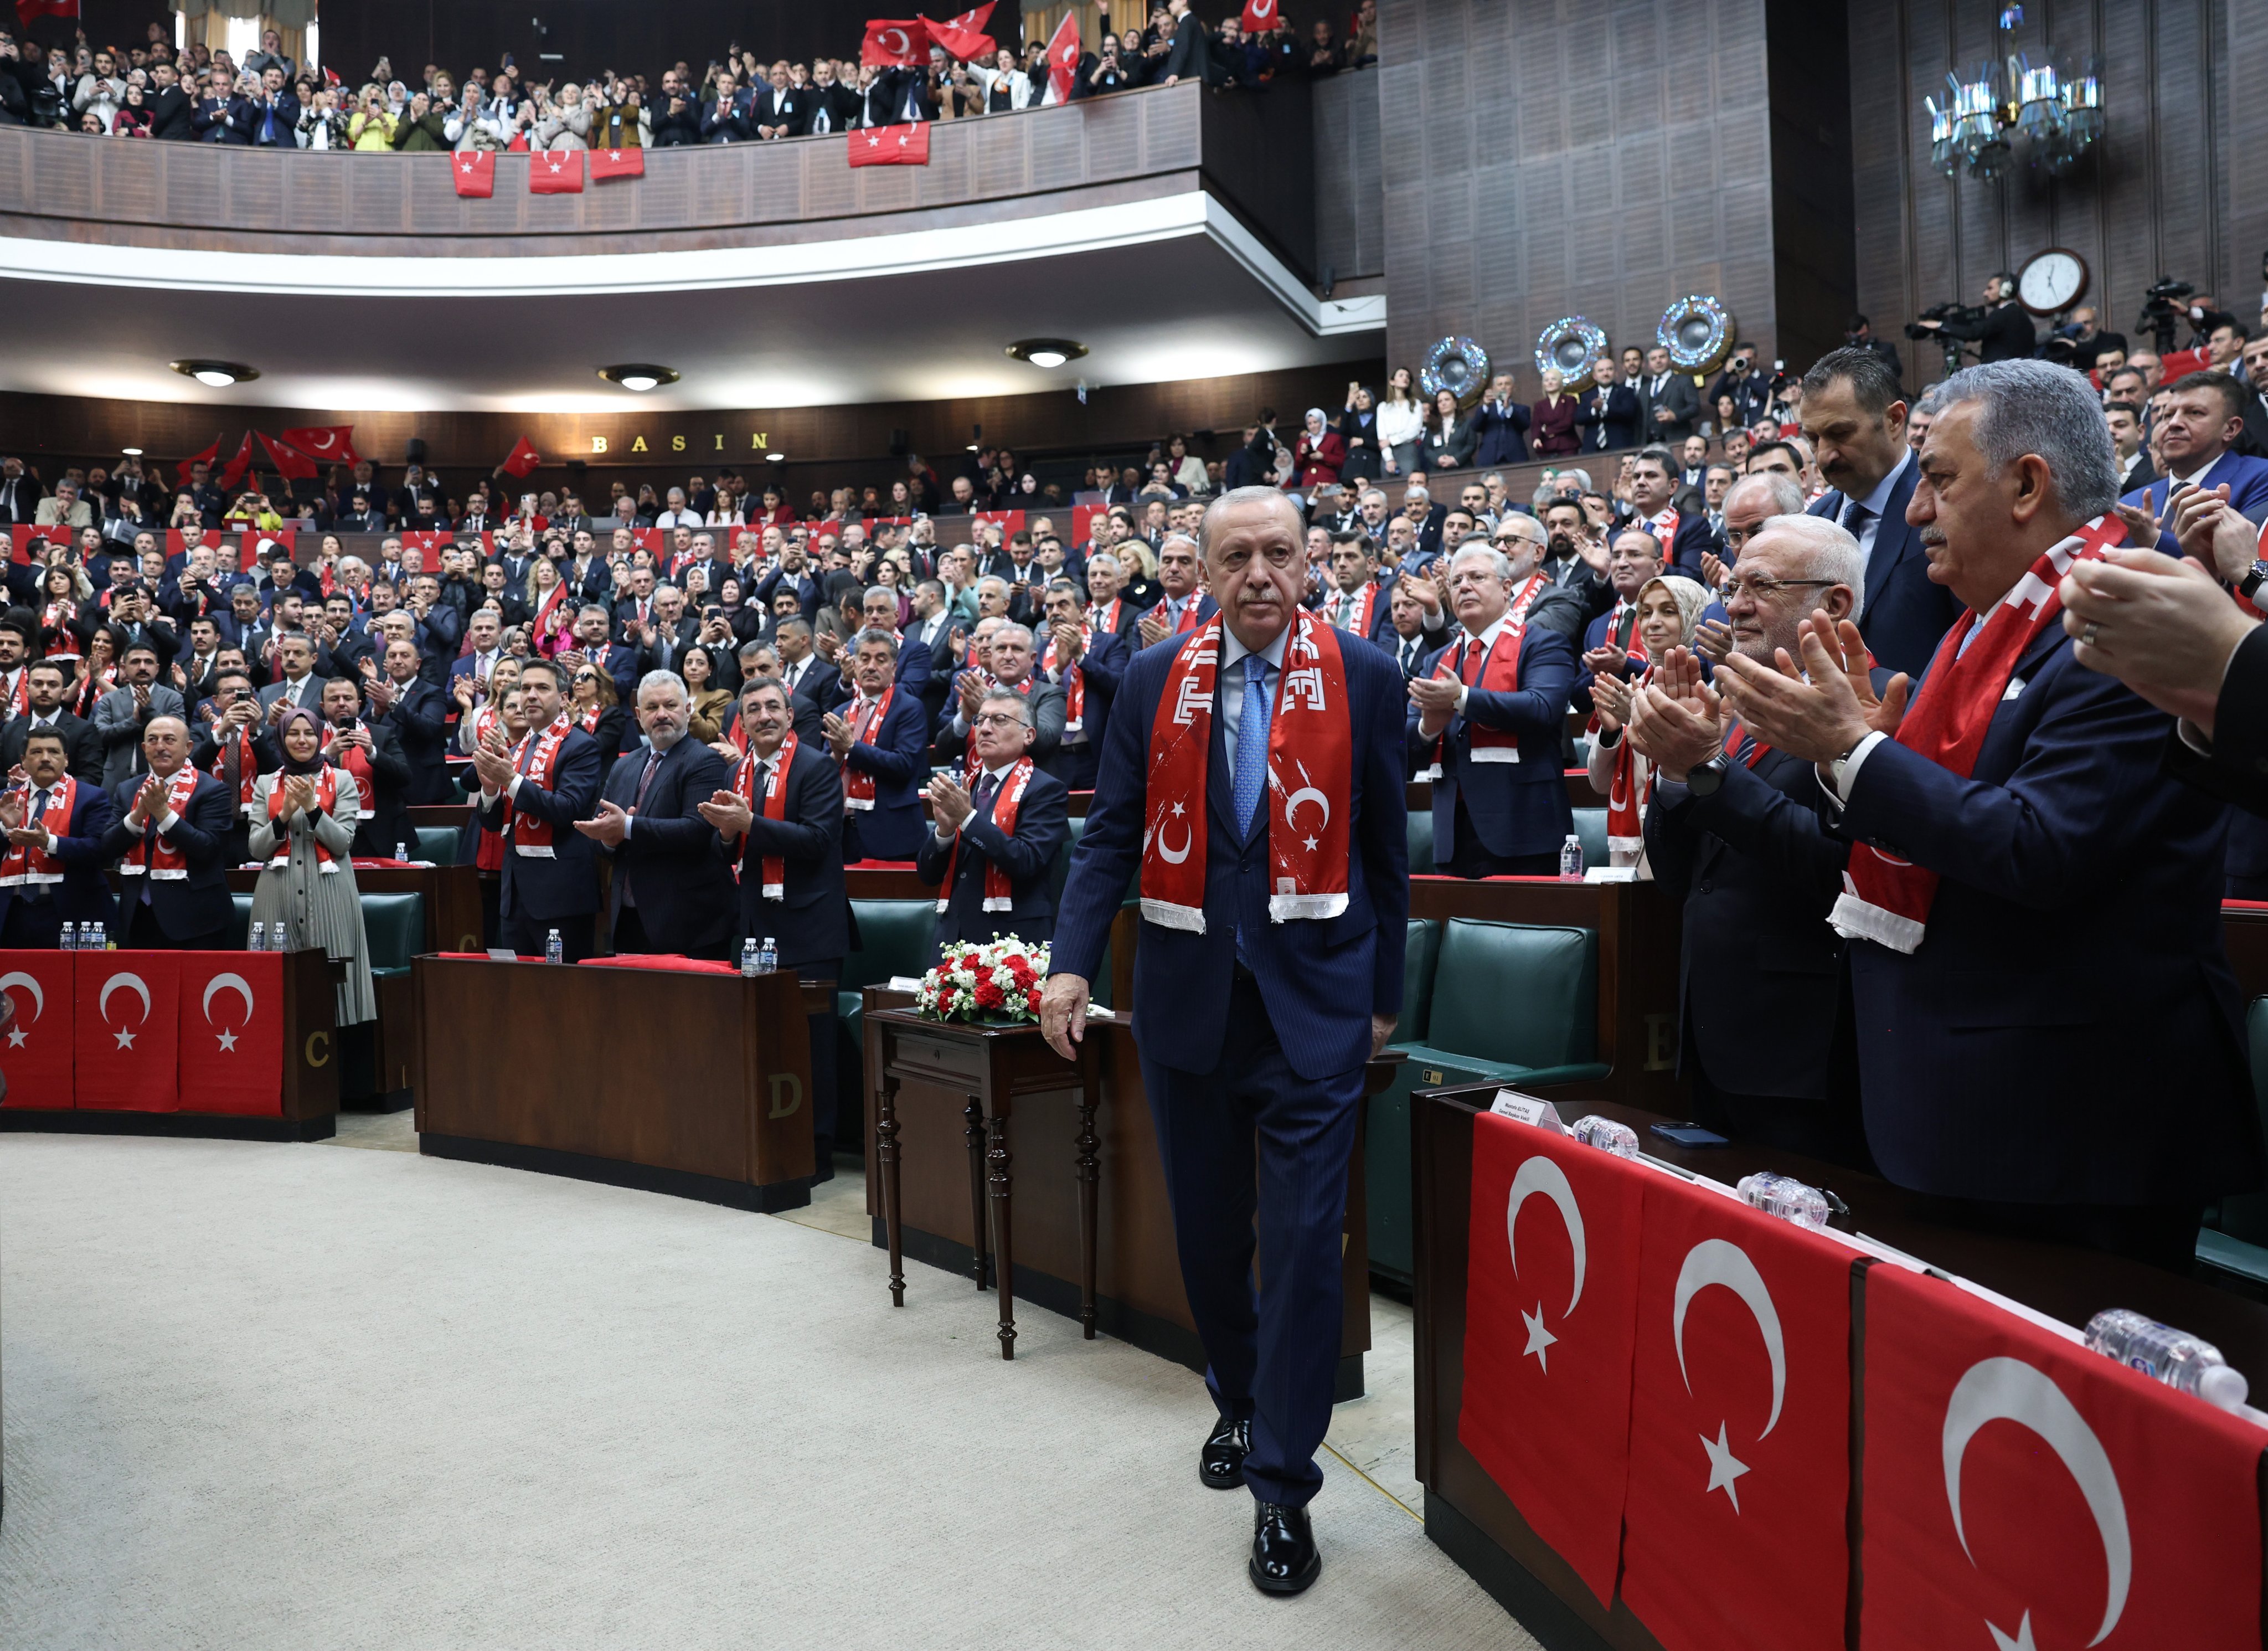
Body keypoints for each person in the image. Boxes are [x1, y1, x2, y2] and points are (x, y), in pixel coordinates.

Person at [1715, 358, 2264, 1269]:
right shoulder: (1979, 628)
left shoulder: (2120, 611)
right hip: (1963, 1115)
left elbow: (2040, 849)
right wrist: (1851, 756)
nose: (1916, 513)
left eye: (1935, 480)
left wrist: (1854, 754)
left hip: (2073, 1137)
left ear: (2024, 485)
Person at [1042, 487, 1408, 1598]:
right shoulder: (1152, 677)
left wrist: (1380, 994)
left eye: (1279, 552)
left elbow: (1386, 846)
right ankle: (1239, 1401)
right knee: (1207, 1238)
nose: (1259, 571)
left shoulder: (1367, 675)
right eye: (1234, 553)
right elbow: (1108, 834)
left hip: (1314, 1003)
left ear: (1312, 563)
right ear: (1197, 570)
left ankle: (1282, 1485)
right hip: (1188, 997)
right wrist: (1068, 959)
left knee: (1300, 1249)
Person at [1624, 515, 1875, 1165]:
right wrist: (1677, 777)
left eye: (1759, 586)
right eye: (1732, 585)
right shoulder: (1731, 702)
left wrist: (1707, 770)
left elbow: (1843, 870)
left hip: (1807, 1053)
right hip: (1713, 1035)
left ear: (1834, 602)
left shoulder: (1869, 709)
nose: (1732, 605)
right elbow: (1682, 876)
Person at [698, 674, 850, 1165]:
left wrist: (748, 825)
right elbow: (724, 852)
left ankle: (818, 1152)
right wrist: (725, 836)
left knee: (812, 1047)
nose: (764, 716)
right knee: (763, 1040)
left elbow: (818, 842)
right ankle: (770, 1143)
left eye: (772, 707)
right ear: (741, 723)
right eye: (754, 710)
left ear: (789, 715)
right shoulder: (735, 774)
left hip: (809, 930)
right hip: (754, 928)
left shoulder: (817, 767)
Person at [1410, 539, 1579, 875]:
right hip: (1452, 835)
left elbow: (1542, 708)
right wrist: (1428, 727)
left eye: (1476, 577)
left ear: (1506, 589)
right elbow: (1404, 743)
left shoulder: (1543, 643)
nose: (1465, 587)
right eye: (1456, 581)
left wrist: (1462, 699)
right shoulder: (1436, 660)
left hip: (1524, 830)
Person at [1800, 347, 1963, 677]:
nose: (1825, 456)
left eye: (1840, 434)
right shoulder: (1814, 520)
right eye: (1814, 439)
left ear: (1894, 420)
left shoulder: (1948, 504)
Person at [578, 670, 737, 959]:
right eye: (652, 707)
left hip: (690, 925)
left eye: (671, 705)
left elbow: (697, 831)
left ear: (688, 710)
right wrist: (609, 840)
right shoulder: (623, 766)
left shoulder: (705, 761)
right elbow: (606, 834)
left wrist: (626, 826)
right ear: (638, 715)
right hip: (628, 919)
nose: (661, 714)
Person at [916, 688, 1069, 960]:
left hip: (1013, 946)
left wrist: (968, 819)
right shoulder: (966, 787)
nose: (985, 729)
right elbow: (927, 876)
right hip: (954, 940)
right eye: (980, 720)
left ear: (1029, 735)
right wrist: (945, 832)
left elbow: (1026, 860)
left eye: (999, 720)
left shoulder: (1046, 790)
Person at [470, 658, 602, 961]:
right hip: (515, 897)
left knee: (564, 995)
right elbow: (493, 823)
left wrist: (511, 780)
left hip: (562, 898)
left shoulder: (581, 746)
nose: (530, 695)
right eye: (525, 687)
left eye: (542, 688)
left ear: (564, 698)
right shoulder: (517, 750)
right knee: (517, 994)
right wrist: (490, 790)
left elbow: (567, 810)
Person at [250, 707, 376, 1026]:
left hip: (331, 891)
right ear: (281, 738)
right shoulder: (266, 784)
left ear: (320, 736)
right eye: (293, 733)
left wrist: (311, 807)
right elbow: (257, 848)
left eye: (309, 733)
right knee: (278, 993)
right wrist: (282, 815)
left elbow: (342, 843)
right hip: (276, 891)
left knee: (334, 989)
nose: (302, 740)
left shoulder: (343, 779)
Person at [1585, 573, 1710, 868]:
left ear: (1695, 615)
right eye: (1645, 612)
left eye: (1669, 611)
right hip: (1630, 854)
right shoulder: (1633, 688)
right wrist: (1611, 732)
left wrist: (1642, 722)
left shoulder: (1711, 690)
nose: (1652, 622)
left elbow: (1703, 777)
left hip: (1689, 846)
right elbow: (1599, 783)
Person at [101, 715, 236, 950]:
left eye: (169, 740)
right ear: (144, 749)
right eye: (152, 740)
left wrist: (164, 814)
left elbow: (208, 849)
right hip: (138, 917)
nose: (160, 747)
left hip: (197, 920)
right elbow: (107, 848)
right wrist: (136, 817)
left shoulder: (212, 790)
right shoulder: (127, 789)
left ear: (188, 748)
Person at [2116, 371, 2268, 555]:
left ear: (2230, 429)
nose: (2173, 423)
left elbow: (2241, 566)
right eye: (2167, 415)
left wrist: (2155, 541)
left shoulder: (2261, 479)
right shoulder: (2131, 501)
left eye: (2195, 413)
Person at [0, 726, 117, 948]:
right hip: (10, 913)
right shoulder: (5, 800)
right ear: (23, 761)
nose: (45, 758)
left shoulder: (91, 798)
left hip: (69, 911)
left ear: (66, 760)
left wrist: (48, 843)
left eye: (53, 752)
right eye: (36, 752)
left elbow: (100, 850)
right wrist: (5, 830)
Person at [826, 629, 929, 862]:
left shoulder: (909, 708)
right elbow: (823, 772)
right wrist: (838, 756)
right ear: (854, 664)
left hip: (893, 834)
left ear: (894, 669)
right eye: (864, 659)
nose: (871, 666)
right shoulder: (839, 712)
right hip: (840, 833)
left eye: (881, 660)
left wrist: (852, 747)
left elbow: (903, 765)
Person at [318, 675, 411, 859]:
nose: (342, 704)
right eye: (334, 699)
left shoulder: (380, 734)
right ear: (322, 706)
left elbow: (405, 777)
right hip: (326, 834)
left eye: (348, 698)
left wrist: (372, 752)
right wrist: (326, 755)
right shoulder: (312, 737)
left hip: (379, 834)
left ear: (359, 703)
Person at [93, 640, 186, 788]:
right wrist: (133, 721)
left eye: (148, 662)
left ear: (157, 669)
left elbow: (179, 735)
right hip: (118, 780)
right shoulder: (111, 699)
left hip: (163, 780)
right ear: (124, 668)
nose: (142, 667)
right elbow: (100, 735)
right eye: (136, 662)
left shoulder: (173, 698)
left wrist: (149, 711)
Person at [0, 659, 102, 781]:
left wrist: (42, 783)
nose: (44, 689)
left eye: (52, 685)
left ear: (64, 693)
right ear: (27, 690)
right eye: (38, 684)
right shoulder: (9, 730)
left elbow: (93, 778)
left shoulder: (84, 730)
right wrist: (12, 783)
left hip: (66, 799)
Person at [1914, 271, 2039, 363]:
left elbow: (1973, 333)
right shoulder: (2020, 315)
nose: (1985, 293)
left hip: (2001, 377)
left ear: (2005, 290)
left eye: (1990, 288)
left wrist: (1939, 325)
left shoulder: (2004, 313)